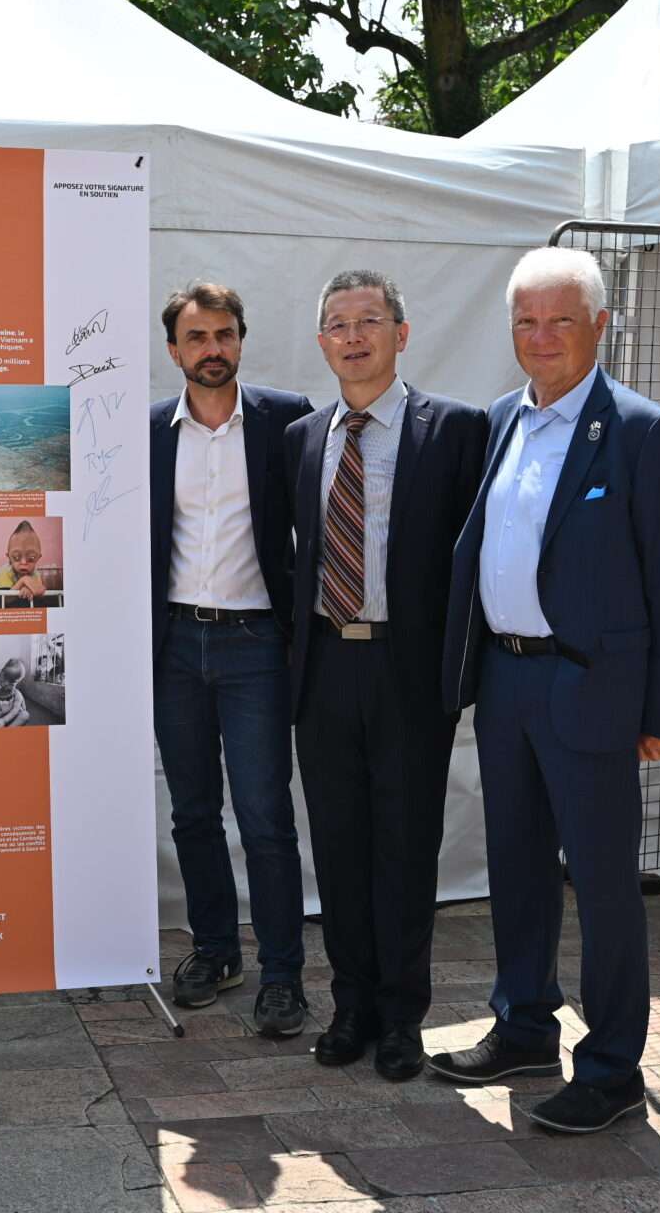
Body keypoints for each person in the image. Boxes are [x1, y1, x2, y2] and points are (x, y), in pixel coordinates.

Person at [434, 248, 660, 1134]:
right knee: (516, 869)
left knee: (601, 882)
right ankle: (524, 1028)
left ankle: (613, 1067)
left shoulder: (644, 431)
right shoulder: (500, 421)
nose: (541, 336)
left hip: (592, 689)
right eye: (526, 320)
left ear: (599, 325)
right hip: (507, 680)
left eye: (560, 320)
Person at [281, 272, 488, 1079]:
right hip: (325, 666)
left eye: (369, 320)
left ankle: (403, 1018)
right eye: (338, 324)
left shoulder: (455, 429)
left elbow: (473, 561)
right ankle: (352, 1007)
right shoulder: (303, 438)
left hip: (408, 670)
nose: (353, 336)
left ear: (402, 333)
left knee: (405, 847)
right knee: (337, 848)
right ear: (322, 342)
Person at [149, 282, 313, 1036]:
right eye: (196, 337)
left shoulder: (288, 418)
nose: (211, 349)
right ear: (174, 349)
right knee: (192, 812)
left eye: (223, 335)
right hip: (175, 645)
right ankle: (216, 952)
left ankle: (283, 975)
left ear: (241, 340)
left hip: (257, 647)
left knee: (265, 817)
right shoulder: (150, 430)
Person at [0, 521, 47, 601]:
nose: (23, 562)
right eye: (16, 557)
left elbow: (39, 590)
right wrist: (23, 581)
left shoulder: (36, 574)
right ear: (9, 557)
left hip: (13, 590)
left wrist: (29, 589)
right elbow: (5, 599)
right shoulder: (5, 572)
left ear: (38, 558)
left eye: (31, 558)